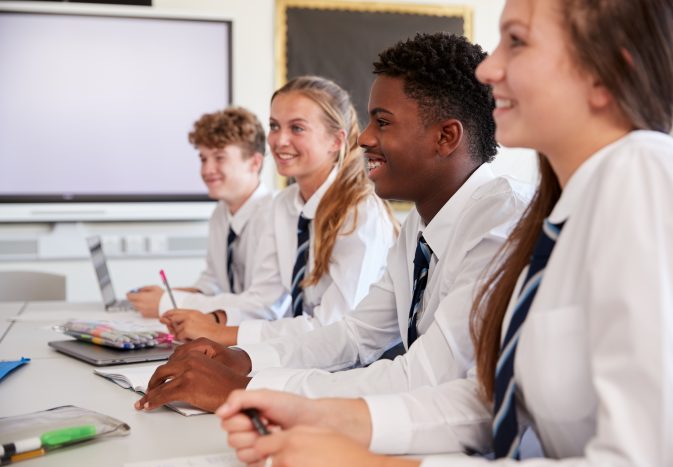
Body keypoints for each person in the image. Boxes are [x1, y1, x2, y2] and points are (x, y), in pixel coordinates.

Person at [217, 0, 673, 465]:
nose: (489, 70)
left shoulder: (646, 175)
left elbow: (650, 457)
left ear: (605, 74)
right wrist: (317, 412)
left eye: (517, 41)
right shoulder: (557, 213)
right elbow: (489, 398)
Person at [134, 33, 531, 413]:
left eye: (383, 122)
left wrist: (248, 389)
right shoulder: (421, 226)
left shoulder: (499, 224)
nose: (365, 139)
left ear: (446, 137)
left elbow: (425, 377)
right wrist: (242, 358)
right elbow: (354, 333)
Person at [156, 76, 397, 345]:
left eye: (297, 128)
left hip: (353, 365)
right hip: (301, 353)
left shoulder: (360, 214)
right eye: (274, 126)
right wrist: (209, 321)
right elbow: (266, 302)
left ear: (336, 141)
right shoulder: (283, 205)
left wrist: (220, 333)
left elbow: (334, 328)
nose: (279, 140)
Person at [126, 107, 274, 319]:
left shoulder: (273, 217)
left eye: (219, 158)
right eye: (203, 159)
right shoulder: (220, 214)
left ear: (254, 162)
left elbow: (259, 305)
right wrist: (169, 296)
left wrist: (169, 303)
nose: (206, 170)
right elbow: (213, 283)